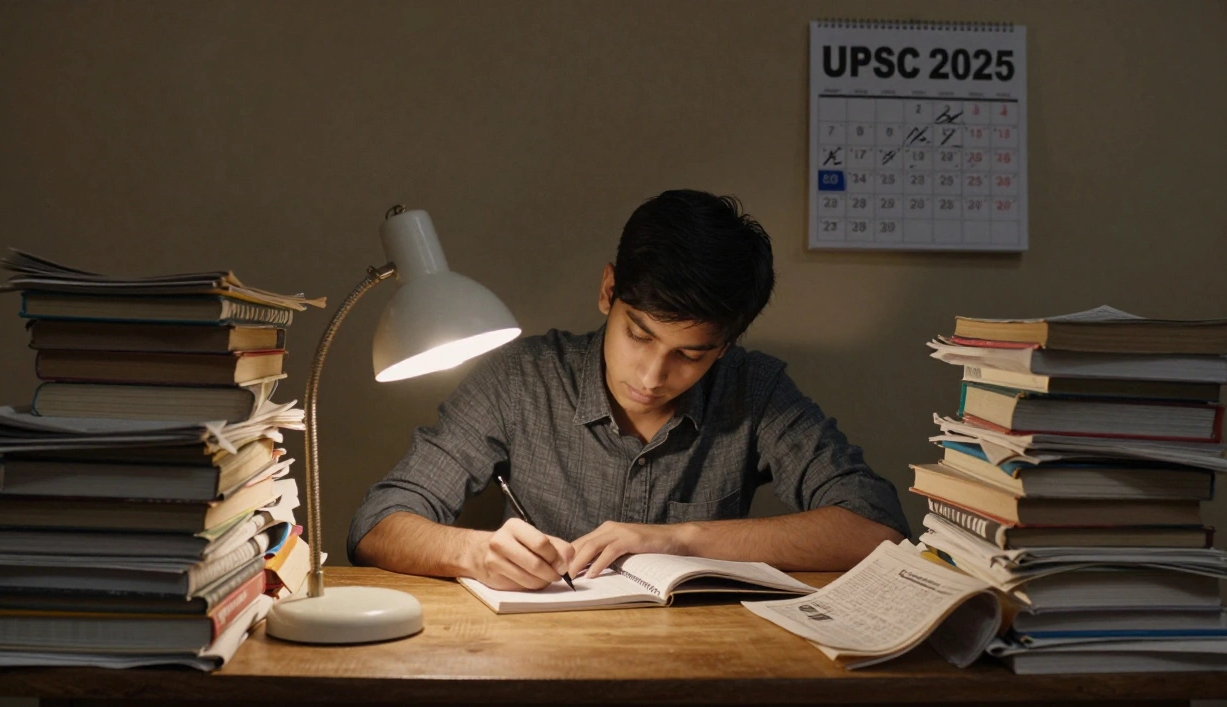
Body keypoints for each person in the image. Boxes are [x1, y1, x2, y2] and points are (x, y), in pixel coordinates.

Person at [348, 189, 909, 591]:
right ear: (608, 290)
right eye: (638, 335)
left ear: (728, 343)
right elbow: (377, 523)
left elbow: (875, 528)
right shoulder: (521, 379)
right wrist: (473, 551)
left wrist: (679, 539)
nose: (651, 376)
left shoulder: (754, 391)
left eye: (691, 354)